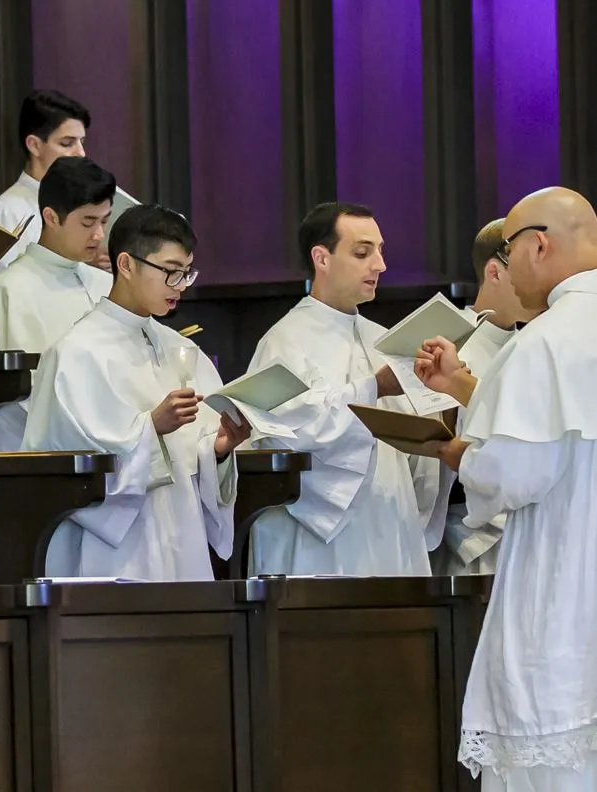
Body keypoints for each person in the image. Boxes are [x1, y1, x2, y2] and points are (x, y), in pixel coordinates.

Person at [410, 187, 597, 790]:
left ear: (539, 245)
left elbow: (514, 473)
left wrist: (459, 454)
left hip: (567, 583)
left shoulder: (546, 339)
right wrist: (471, 393)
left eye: (510, 248)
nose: (506, 266)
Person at [24, 205, 247, 579]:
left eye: (186, 273)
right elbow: (62, 466)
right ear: (126, 264)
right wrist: (151, 427)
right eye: (170, 272)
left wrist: (220, 450)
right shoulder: (77, 352)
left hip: (181, 532)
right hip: (116, 547)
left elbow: (194, 454)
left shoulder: (179, 347)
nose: (180, 286)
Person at [242, 202, 446, 575]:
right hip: (317, 532)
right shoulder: (285, 341)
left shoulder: (382, 339)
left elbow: (413, 439)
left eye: (381, 251)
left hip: (389, 518)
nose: (380, 265)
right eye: (362, 252)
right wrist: (374, 387)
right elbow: (286, 432)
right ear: (322, 258)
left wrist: (444, 396)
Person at [0, 155, 117, 449]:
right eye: (88, 222)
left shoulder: (107, 284)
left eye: (104, 221)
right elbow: (7, 399)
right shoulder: (8, 290)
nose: (99, 235)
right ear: (52, 217)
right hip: (44, 453)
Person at [432, 219, 541, 575]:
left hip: (539, 531)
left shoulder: (542, 345)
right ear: (494, 271)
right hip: (470, 540)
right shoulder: (445, 343)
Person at [0, 90, 134, 270]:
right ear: (35, 145)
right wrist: (82, 262)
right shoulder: (6, 213)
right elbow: (4, 285)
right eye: (67, 143)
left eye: (82, 142)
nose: (81, 153)